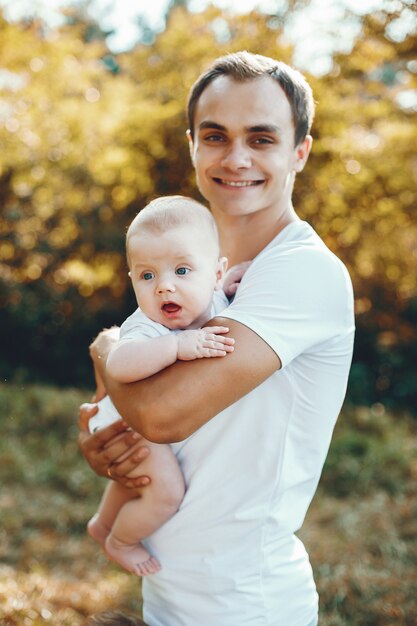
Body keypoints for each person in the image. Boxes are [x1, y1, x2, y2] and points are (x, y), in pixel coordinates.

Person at [79, 51, 355, 626]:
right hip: (169, 589)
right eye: (215, 136)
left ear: (299, 151)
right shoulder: (188, 275)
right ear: (192, 147)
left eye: (261, 138)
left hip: (246, 603)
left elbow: (160, 414)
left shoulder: (301, 271)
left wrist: (105, 351)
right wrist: (112, 448)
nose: (236, 158)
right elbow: (137, 417)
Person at [86, 195, 239, 577]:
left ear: (217, 274)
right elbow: (118, 363)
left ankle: (102, 523)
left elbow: (224, 293)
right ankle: (120, 541)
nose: (164, 288)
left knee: (135, 481)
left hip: (136, 421)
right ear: (134, 280)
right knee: (166, 491)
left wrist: (238, 279)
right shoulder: (147, 326)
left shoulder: (217, 295)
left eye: (182, 271)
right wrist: (175, 345)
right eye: (147, 275)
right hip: (123, 420)